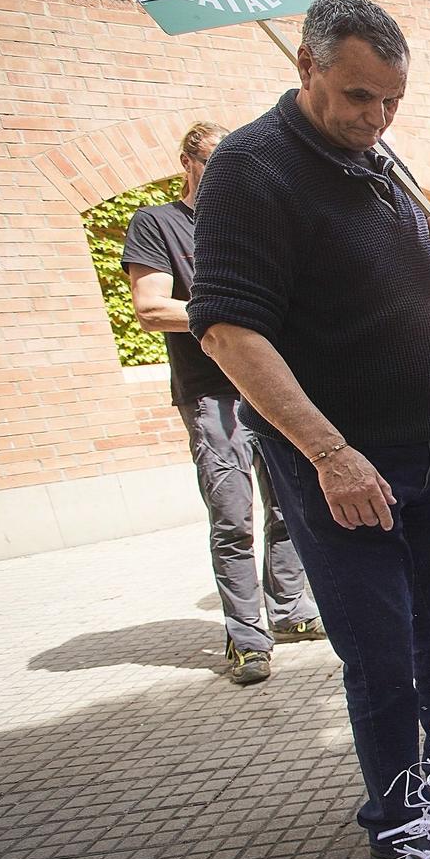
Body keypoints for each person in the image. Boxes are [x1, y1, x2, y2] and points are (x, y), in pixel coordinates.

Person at [188, 0, 430, 859]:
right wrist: (330, 452)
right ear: (306, 66)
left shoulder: (376, 156)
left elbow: (400, 297)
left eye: (392, 100)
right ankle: (402, 827)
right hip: (344, 464)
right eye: (360, 96)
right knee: (383, 654)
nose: (377, 116)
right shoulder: (251, 168)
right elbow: (229, 331)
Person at [123, 120, 322, 687]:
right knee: (233, 513)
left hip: (273, 387)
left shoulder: (251, 222)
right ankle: (246, 637)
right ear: (188, 162)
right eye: (214, 161)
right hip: (213, 393)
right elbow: (149, 307)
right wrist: (230, 316)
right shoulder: (159, 223)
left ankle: (291, 612)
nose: (226, 172)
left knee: (288, 503)